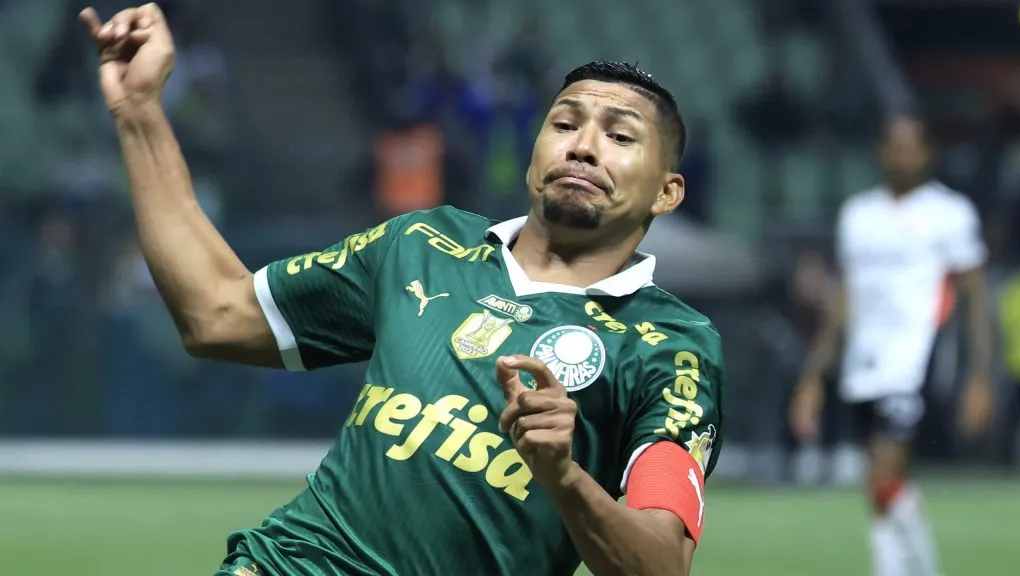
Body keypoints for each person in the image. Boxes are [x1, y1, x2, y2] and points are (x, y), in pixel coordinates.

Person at [80, 5, 725, 576]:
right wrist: (139, 113)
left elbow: (661, 564)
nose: (583, 147)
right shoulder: (422, 244)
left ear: (668, 192)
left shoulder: (672, 347)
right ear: (533, 151)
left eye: (619, 136)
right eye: (564, 124)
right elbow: (216, 313)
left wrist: (563, 475)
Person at [790, 115, 993, 576]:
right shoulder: (859, 215)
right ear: (881, 151)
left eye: (911, 146)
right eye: (892, 146)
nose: (901, 155)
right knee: (883, 487)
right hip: (864, 368)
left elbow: (977, 301)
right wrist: (812, 377)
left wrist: (980, 376)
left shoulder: (950, 213)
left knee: (884, 478)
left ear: (927, 153)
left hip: (915, 363)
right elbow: (843, 306)